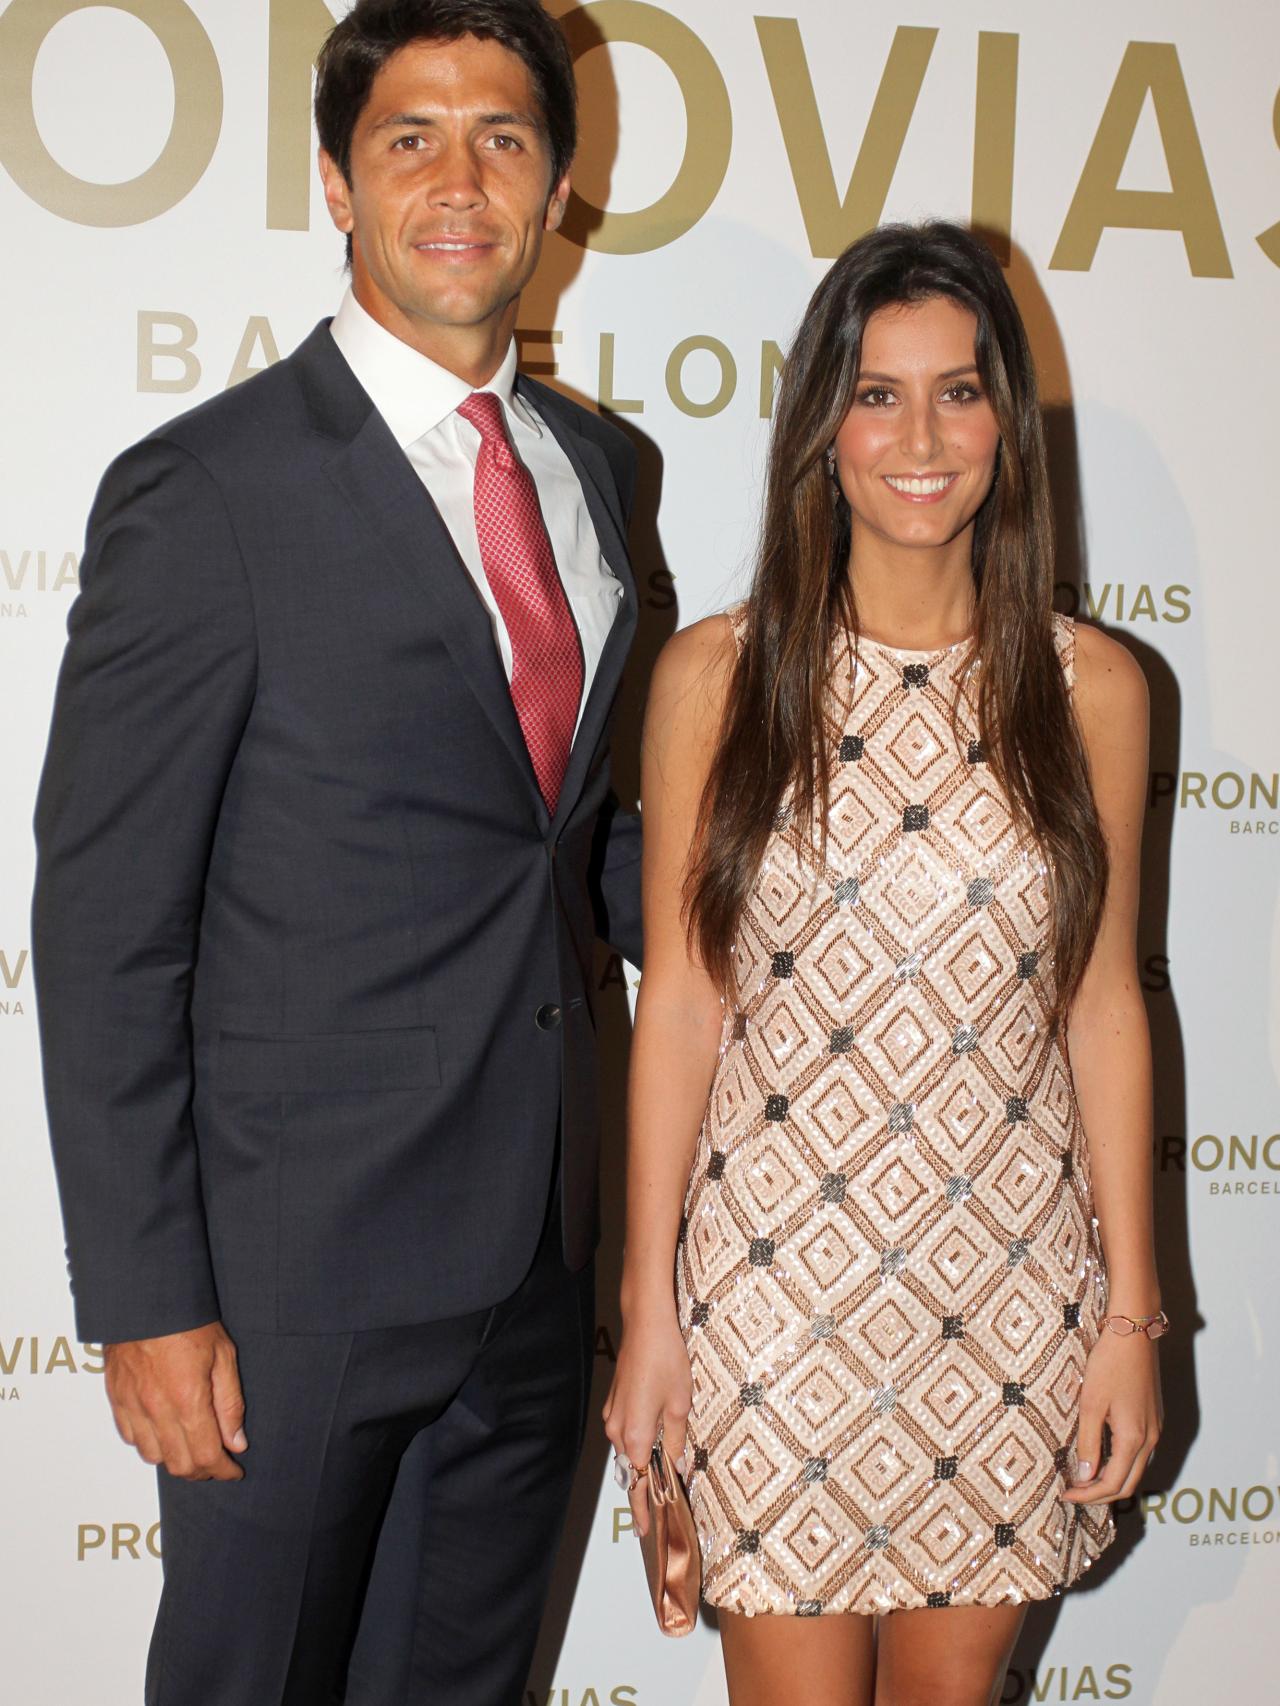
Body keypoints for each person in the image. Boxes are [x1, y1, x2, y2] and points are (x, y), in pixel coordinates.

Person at [32, 2, 642, 1701]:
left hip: (535, 1262)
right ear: (337, 181)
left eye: (504, 138)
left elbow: (561, 850)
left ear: (558, 185)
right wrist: (149, 1300)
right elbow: (104, 929)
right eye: (410, 139)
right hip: (288, 1289)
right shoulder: (208, 491)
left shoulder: (598, 471)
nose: (461, 180)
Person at [604, 221, 1163, 1706]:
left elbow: (1103, 1005)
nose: (922, 436)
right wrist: (649, 1310)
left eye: (960, 392)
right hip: (776, 1306)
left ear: (1008, 427)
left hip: (1010, 1297)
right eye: (876, 392)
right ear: (821, 428)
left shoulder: (1091, 687)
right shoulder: (719, 677)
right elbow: (682, 1008)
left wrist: (1130, 1315)